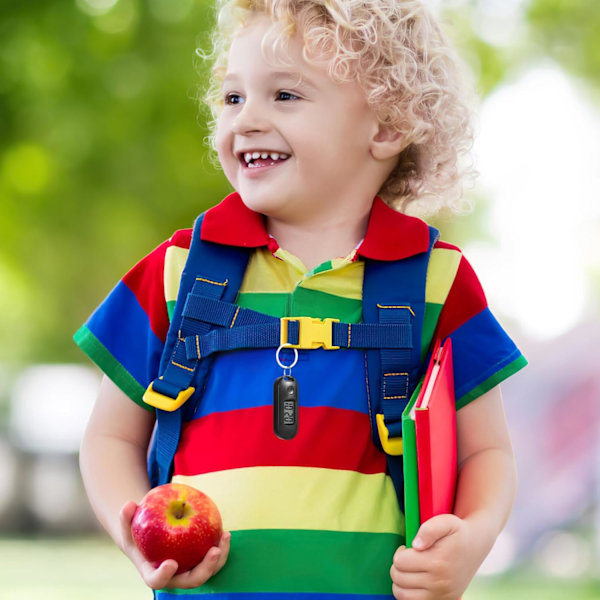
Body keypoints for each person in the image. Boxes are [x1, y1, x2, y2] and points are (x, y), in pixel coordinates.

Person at [76, 1, 527, 598]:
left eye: (284, 96)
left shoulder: (436, 283)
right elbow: (109, 439)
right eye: (233, 98)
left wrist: (471, 539)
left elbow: (487, 452)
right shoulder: (178, 274)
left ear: (387, 126)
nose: (248, 120)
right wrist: (131, 525)